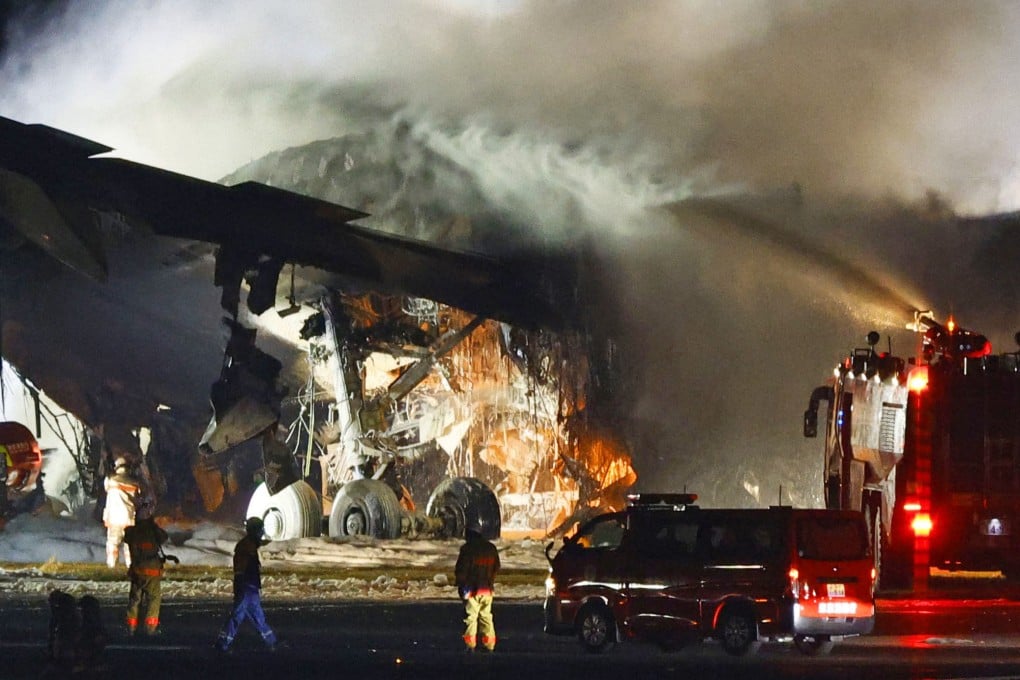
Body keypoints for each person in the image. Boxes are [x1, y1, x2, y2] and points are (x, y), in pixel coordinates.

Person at [215, 516, 279, 653]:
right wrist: (241, 586)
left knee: (258, 617)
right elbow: (241, 568)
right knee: (237, 616)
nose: (262, 533)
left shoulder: (249, 544)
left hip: (251, 588)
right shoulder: (246, 546)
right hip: (246, 587)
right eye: (261, 530)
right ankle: (222, 644)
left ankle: (272, 642)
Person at [454, 526, 501, 652]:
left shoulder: (467, 549)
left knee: (470, 617)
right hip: (487, 589)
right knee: (486, 617)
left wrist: (460, 585)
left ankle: (470, 645)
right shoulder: (491, 548)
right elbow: (497, 567)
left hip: (472, 589)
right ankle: (489, 644)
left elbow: (462, 570)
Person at [124, 516, 170, 636]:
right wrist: (153, 526)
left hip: (137, 571)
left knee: (135, 599)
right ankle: (150, 628)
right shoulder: (153, 531)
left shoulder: (132, 531)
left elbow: (126, 537)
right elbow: (164, 537)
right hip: (152, 572)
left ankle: (131, 627)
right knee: (153, 599)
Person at [103, 457, 140, 568]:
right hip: (129, 518)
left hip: (114, 518)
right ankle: (131, 565)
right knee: (129, 545)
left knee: (113, 542)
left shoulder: (111, 481)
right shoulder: (135, 483)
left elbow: (105, 486)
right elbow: (138, 498)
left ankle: (112, 565)